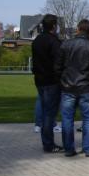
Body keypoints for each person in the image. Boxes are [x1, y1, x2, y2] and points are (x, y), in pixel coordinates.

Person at [55, 19, 89, 157]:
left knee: (67, 119)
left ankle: (69, 149)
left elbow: (57, 67)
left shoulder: (66, 45)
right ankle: (88, 148)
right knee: (88, 119)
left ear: (77, 29)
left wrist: (63, 81)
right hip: (86, 88)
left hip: (68, 87)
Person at [31, 14, 63, 153]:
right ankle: (48, 143)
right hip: (51, 80)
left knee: (45, 111)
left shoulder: (37, 40)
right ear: (54, 26)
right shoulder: (54, 41)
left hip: (40, 79)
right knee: (50, 113)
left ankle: (46, 142)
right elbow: (58, 62)